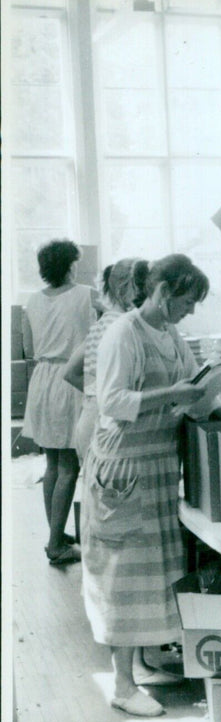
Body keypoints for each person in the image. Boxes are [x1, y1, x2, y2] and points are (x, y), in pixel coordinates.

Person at [81, 254, 221, 717]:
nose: (190, 312)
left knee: (150, 573)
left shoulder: (169, 334)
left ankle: (140, 667)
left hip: (157, 467)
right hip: (125, 465)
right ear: (164, 292)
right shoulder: (123, 333)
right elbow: (112, 399)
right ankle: (123, 685)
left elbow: (193, 385)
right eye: (187, 302)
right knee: (123, 575)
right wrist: (175, 395)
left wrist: (219, 408)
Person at [21, 239, 97, 566]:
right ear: (69, 265)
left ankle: (57, 530)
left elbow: (27, 349)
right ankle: (55, 544)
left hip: (42, 378)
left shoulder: (31, 301)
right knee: (70, 465)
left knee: (52, 463)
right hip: (70, 377)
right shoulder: (85, 294)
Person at [63, 258, 142, 462]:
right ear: (127, 288)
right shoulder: (123, 325)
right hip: (106, 422)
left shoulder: (102, 322)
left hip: (90, 416)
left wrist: (95, 392)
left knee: (94, 487)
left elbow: (70, 373)